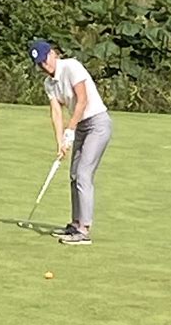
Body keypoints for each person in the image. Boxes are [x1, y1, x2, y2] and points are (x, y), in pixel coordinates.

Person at [29, 39, 112, 245]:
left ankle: (84, 230)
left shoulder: (71, 66)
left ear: (51, 54)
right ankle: (75, 224)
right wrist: (60, 142)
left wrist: (71, 128)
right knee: (74, 174)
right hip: (81, 126)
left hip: (97, 124)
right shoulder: (49, 83)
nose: (43, 66)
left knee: (84, 173)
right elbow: (56, 113)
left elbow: (82, 100)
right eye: (39, 64)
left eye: (44, 60)